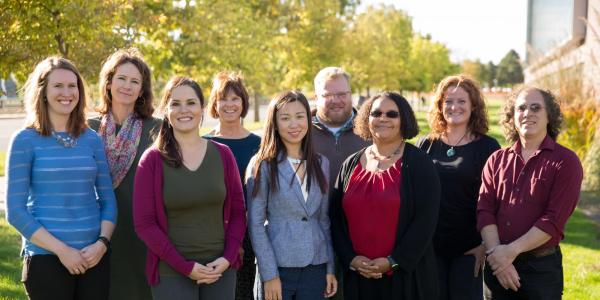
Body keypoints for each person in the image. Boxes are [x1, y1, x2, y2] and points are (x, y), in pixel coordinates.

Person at [6, 57, 117, 299]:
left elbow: (108, 201)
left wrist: (101, 244)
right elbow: (15, 211)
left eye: (72, 85)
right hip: (46, 258)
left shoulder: (92, 139)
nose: (67, 93)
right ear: (43, 91)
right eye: (58, 86)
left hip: (93, 257)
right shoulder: (25, 141)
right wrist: (63, 251)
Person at [133, 76, 246, 300]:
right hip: (171, 273)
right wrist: (185, 267)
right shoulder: (152, 160)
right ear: (166, 110)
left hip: (220, 271)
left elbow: (238, 213)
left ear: (202, 108)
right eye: (175, 104)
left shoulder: (223, 154)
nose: (184, 110)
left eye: (191, 103)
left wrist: (227, 258)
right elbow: (144, 224)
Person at [330, 92, 440, 300]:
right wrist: (350, 259)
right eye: (376, 113)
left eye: (392, 114)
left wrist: (393, 261)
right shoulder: (351, 163)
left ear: (404, 120)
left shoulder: (419, 164)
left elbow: (426, 221)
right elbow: (335, 217)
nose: (383, 118)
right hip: (358, 277)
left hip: (407, 279)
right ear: (366, 118)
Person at [477, 87, 583, 299]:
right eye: (521, 108)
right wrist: (500, 257)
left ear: (549, 116)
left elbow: (553, 220)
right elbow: (484, 210)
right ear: (512, 116)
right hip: (497, 265)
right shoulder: (496, 160)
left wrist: (510, 252)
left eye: (536, 108)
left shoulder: (566, 162)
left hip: (540, 271)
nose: (527, 113)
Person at [246, 91, 337, 300]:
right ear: (275, 123)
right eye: (285, 118)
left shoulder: (321, 163)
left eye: (299, 116)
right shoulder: (262, 165)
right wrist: (269, 275)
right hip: (279, 267)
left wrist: (330, 267)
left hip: (316, 267)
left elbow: (323, 220)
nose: (294, 124)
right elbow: (256, 223)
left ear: (308, 118)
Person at [416, 75, 500, 300]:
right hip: (430, 249)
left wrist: (485, 244)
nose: (455, 107)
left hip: (470, 249)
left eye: (462, 101)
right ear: (440, 106)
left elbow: (498, 200)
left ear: (474, 105)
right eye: (448, 101)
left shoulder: (488, 147)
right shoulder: (426, 144)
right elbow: (413, 196)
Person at [87, 48, 161, 300]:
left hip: (141, 232)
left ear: (142, 90)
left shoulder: (157, 129)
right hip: (95, 231)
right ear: (108, 82)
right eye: (121, 78)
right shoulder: (87, 128)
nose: (127, 86)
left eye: (135, 81)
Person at [203, 71, 261, 300]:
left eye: (235, 98)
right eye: (223, 98)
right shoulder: (204, 144)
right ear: (215, 104)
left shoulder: (258, 144)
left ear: (243, 102)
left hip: (250, 234)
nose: (229, 104)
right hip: (214, 232)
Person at [312, 67, 370, 187]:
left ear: (350, 95)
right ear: (316, 98)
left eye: (342, 94)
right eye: (327, 95)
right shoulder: (300, 133)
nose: (335, 100)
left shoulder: (371, 131)